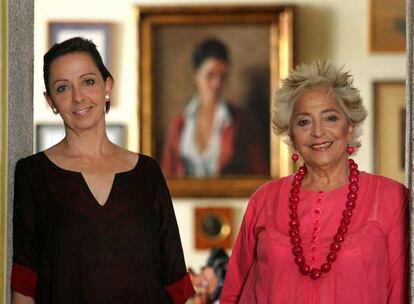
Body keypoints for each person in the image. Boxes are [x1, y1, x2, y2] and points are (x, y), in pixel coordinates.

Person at [11, 37, 194, 304]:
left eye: (88, 81)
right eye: (63, 88)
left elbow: (175, 281)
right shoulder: (33, 175)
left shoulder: (147, 173)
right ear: (50, 101)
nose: (78, 97)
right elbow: (25, 284)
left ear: (107, 86)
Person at [220, 60, 408, 303]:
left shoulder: (391, 198)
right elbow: (234, 290)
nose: (318, 132)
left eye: (330, 118)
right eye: (304, 122)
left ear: (349, 127)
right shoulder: (265, 199)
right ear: (291, 134)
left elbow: (402, 292)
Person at [161, 38, 268, 178]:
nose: (217, 84)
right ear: (196, 75)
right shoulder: (180, 124)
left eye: (222, 76)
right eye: (210, 75)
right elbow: (166, 174)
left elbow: (259, 174)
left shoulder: (241, 122)